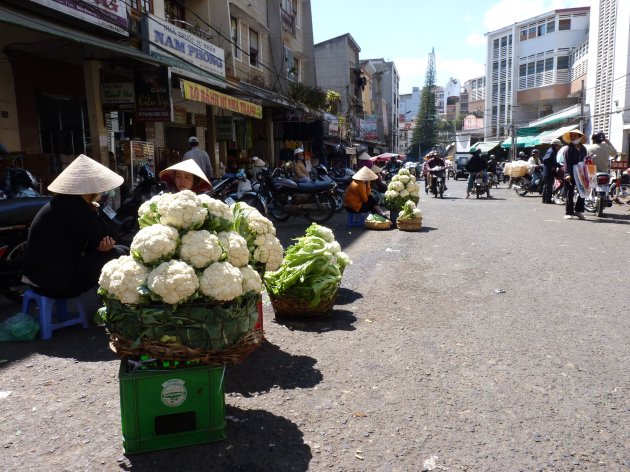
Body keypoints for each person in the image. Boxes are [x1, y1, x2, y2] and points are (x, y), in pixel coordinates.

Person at [22, 154, 127, 299]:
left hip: (41, 277)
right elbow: (105, 237)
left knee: (116, 251)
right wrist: (96, 216)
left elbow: (99, 242)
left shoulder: (64, 202)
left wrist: (100, 245)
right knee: (121, 254)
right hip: (52, 283)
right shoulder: (75, 206)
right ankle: (119, 303)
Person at [563, 130, 588, 220]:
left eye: (575, 136)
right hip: (570, 173)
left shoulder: (583, 149)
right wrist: (567, 174)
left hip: (581, 173)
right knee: (570, 192)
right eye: (571, 136)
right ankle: (568, 212)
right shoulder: (568, 149)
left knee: (583, 191)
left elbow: (585, 160)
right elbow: (567, 163)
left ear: (579, 137)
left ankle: (578, 211)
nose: (573, 137)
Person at [541, 139, 563, 204]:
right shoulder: (551, 151)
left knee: (547, 186)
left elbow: (554, 162)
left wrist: (559, 166)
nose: (559, 147)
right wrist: (552, 167)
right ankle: (547, 200)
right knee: (548, 187)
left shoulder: (553, 151)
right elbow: (545, 160)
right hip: (548, 172)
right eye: (558, 146)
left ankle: (545, 200)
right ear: (554, 145)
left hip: (549, 172)